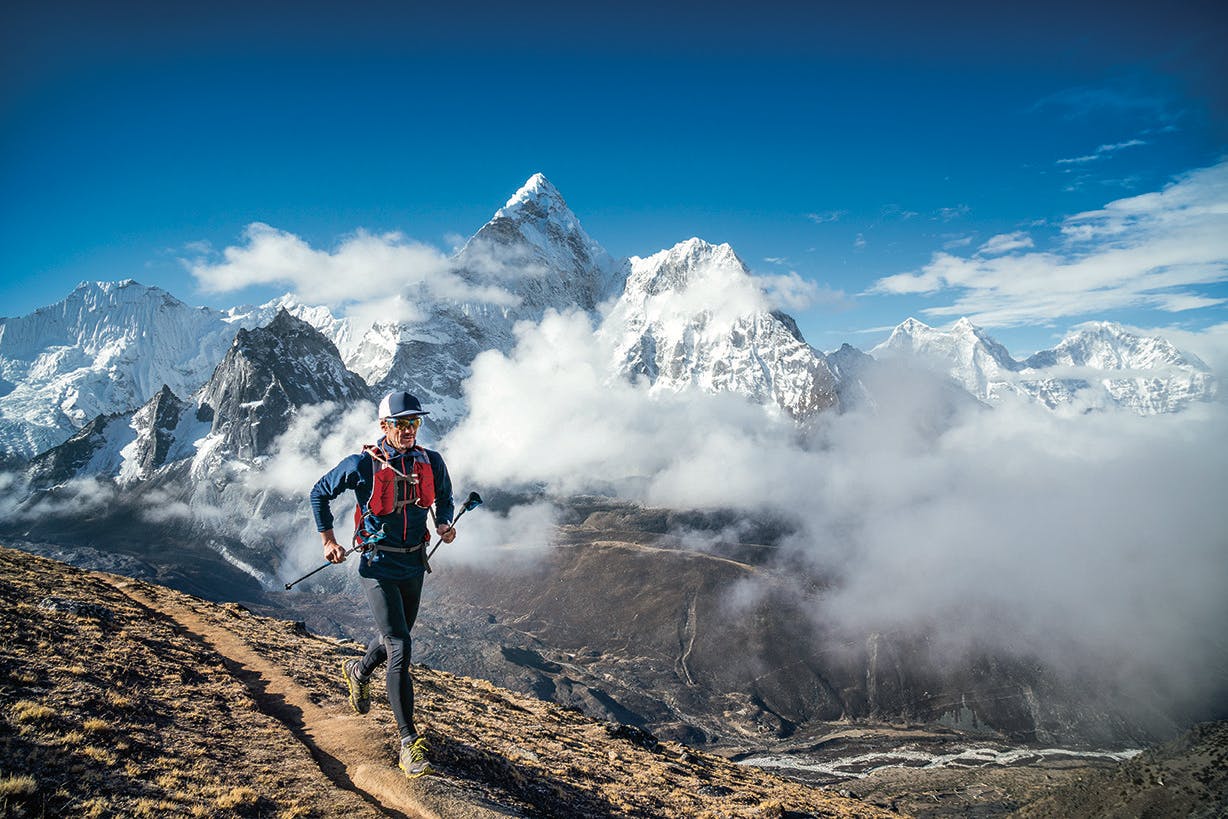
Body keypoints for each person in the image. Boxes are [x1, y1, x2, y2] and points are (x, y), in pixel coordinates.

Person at [309, 391, 455, 779]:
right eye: (401, 423)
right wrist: (328, 540)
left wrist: (443, 523)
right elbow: (319, 492)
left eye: (414, 423)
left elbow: (445, 497)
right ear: (383, 426)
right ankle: (409, 744)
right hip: (377, 564)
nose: (409, 430)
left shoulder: (431, 461)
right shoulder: (361, 465)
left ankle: (358, 670)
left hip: (413, 562)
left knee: (396, 635)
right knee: (401, 646)